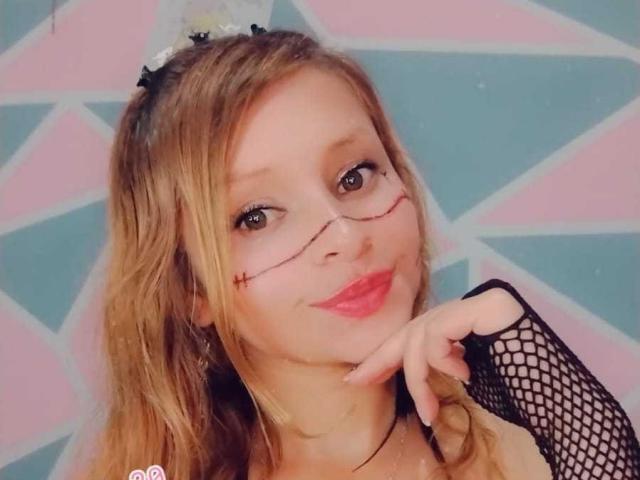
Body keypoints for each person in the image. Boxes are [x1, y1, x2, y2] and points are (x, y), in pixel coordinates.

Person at [76, 25, 640, 480]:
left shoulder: (524, 448)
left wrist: (575, 422)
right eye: (256, 216)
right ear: (189, 288)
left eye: (354, 176)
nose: (345, 237)